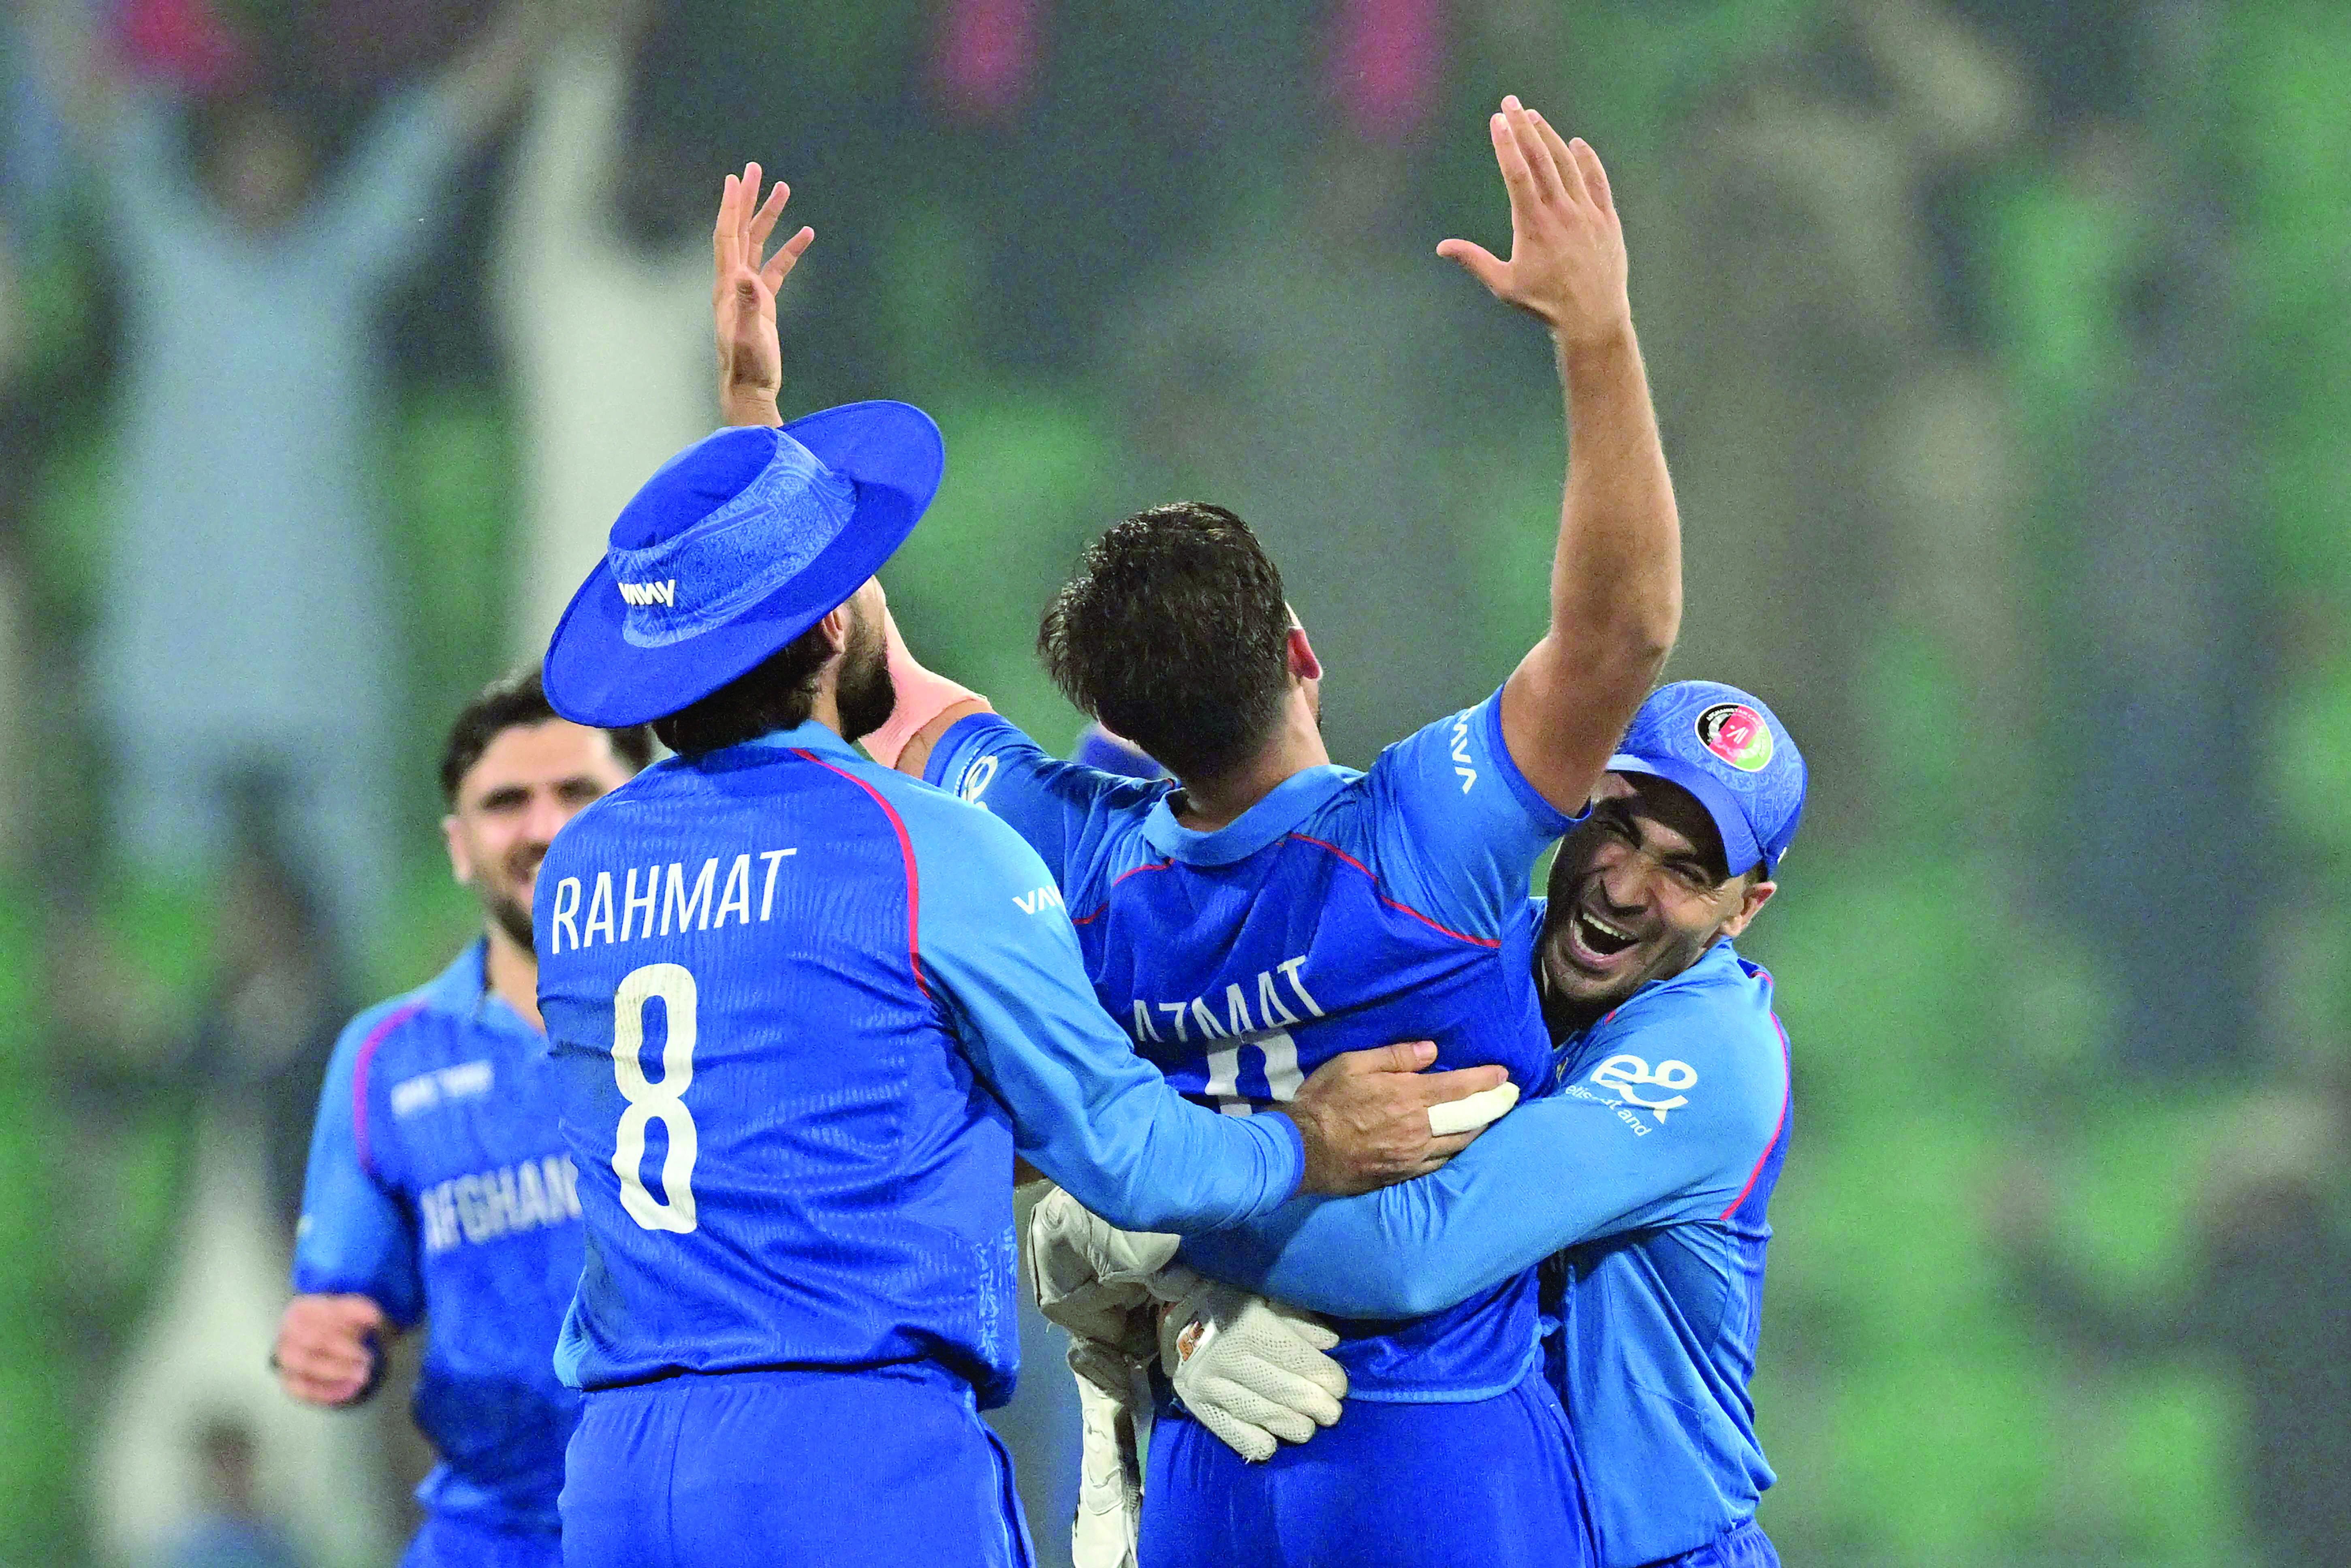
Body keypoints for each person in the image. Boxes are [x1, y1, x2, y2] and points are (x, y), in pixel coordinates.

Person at [531, 168, 1498, 1568]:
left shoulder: (581, 870)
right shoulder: (930, 853)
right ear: (824, 627)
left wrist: (752, 431)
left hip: (620, 1473)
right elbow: (1124, 1151)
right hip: (845, 1461)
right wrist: (1313, 1140)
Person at [872, 98, 1681, 1568]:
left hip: (1205, 1459)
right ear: (1299, 652)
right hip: (1436, 1441)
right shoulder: (1428, 837)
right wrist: (1597, 337)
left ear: (1113, 720)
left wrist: (764, 429)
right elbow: (1620, 628)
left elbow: (883, 688)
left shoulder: (1068, 849)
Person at [1040, 681, 1804, 1568]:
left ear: (1744, 908)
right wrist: (1193, 1309)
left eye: (1687, 871)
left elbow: (1416, 1251)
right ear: (1572, 800)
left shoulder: (1717, 1050)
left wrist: (1158, 1214)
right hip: (1481, 1519)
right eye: (1617, 826)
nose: (1628, 887)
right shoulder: (1463, 961)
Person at [24, 0, 550, 962]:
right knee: (170, 936)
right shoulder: (168, 248)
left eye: (283, 157)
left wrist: (546, 30)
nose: (264, 177)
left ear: (312, 170)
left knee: (339, 950)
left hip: (322, 675)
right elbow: (92, 103)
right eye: (244, 157)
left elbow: (440, 130)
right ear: (214, 169)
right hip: (179, 668)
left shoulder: (341, 260)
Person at [273, 668, 654, 1568]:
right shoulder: (386, 1057)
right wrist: (324, 1338)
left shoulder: (734, 1011)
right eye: (506, 802)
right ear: (458, 843)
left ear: (645, 809)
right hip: (492, 1536)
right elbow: (346, 1301)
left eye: (578, 792)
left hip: (703, 1523)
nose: (543, 828)